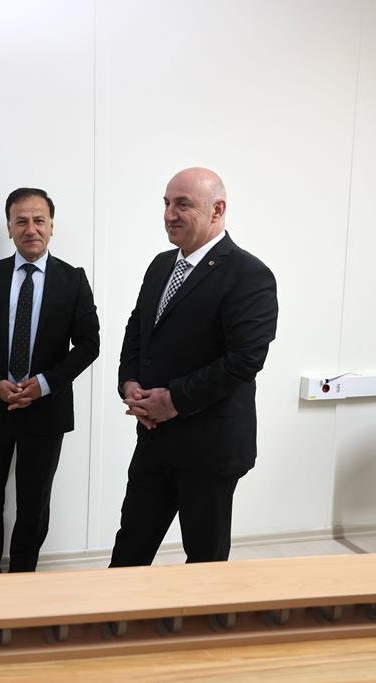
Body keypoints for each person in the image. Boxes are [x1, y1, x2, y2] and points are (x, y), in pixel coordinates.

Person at [108, 167, 278, 567]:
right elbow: (137, 330)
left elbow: (244, 361)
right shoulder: (160, 265)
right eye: (166, 203)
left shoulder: (250, 275)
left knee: (204, 563)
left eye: (182, 204)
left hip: (210, 447)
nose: (170, 214)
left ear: (217, 210)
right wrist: (129, 382)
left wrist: (173, 401)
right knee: (129, 553)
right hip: (154, 439)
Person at [0, 188, 99, 574]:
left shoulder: (73, 280)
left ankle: (23, 575)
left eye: (39, 220)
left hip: (46, 409)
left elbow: (89, 344)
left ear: (52, 226)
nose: (30, 229)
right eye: (21, 221)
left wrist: (45, 384)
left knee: (35, 501)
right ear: (9, 228)